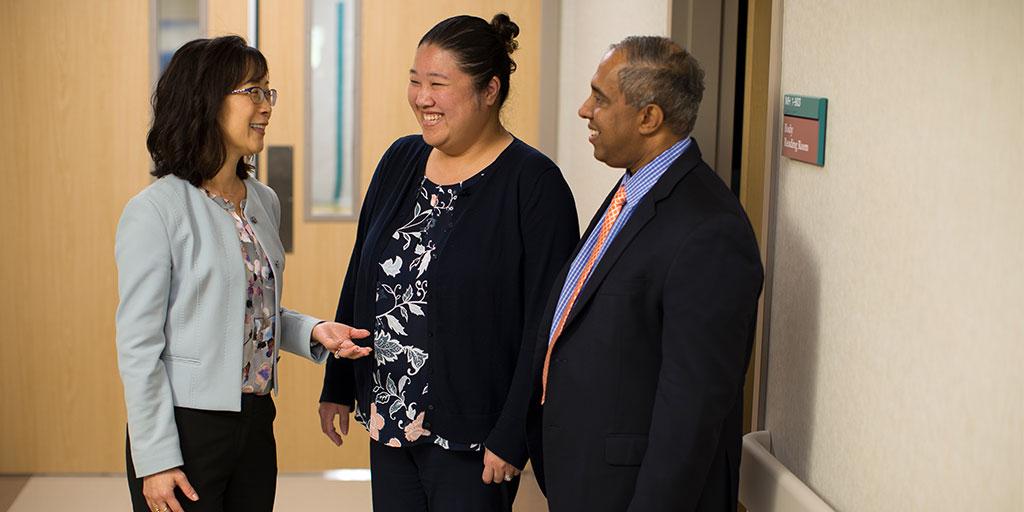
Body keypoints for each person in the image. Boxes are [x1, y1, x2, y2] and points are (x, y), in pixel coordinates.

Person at [317, 14, 579, 512]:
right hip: (390, 418)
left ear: (490, 90)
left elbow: (546, 326)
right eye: (415, 82)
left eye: (438, 84)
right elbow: (362, 275)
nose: (421, 98)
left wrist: (512, 433)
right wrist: (338, 382)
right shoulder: (401, 160)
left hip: (474, 436)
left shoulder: (534, 185)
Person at [115, 35, 371, 512]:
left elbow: (248, 305)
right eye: (251, 91)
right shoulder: (156, 211)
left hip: (255, 419)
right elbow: (138, 346)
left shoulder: (263, 200)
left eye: (267, 92)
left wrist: (313, 331)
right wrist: (154, 458)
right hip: (187, 427)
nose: (265, 106)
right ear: (205, 100)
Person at [527, 36, 765, 511]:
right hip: (586, 475)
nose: (583, 110)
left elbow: (692, 412)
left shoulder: (709, 230)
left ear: (648, 118)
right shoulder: (634, 188)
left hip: (633, 494)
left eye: (600, 98)